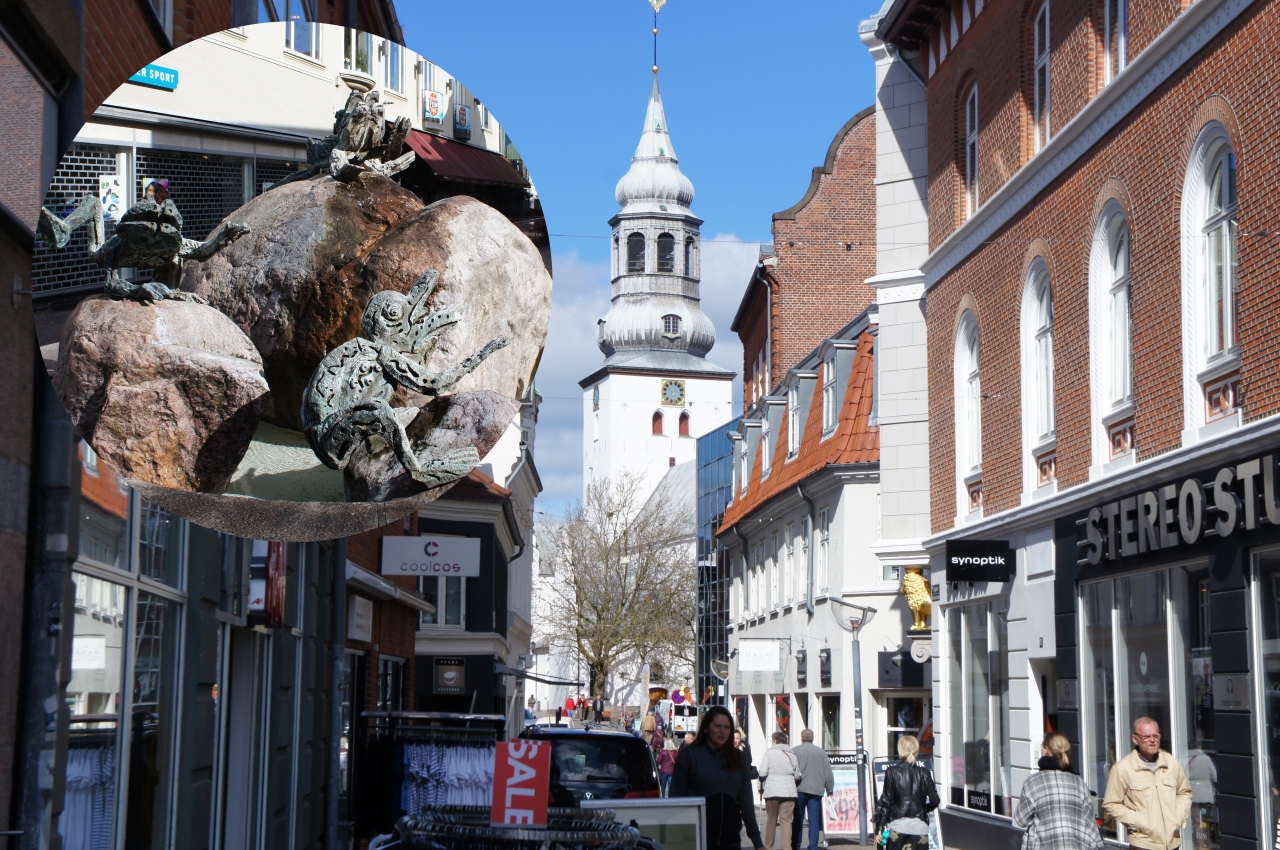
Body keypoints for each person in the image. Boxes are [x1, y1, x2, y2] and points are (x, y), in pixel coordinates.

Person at [670, 706, 765, 850]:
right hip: (697, 840)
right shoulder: (689, 755)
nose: (722, 731)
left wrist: (758, 843)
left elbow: (746, 801)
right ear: (707, 728)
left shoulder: (739, 758)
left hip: (730, 841)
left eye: (727, 727)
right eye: (718, 726)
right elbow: (676, 798)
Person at [1103, 717, 1192, 850]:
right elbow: (1111, 803)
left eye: (1156, 736)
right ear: (1135, 739)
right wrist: (1137, 821)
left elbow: (1184, 793)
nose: (1152, 740)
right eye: (1146, 736)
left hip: (1173, 843)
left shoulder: (1171, 763)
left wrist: (1177, 817)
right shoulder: (1123, 768)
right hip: (1143, 844)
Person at [1014, 732, 1103, 850]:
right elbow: (1090, 827)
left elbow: (1021, 820)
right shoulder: (1079, 783)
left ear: (1046, 748)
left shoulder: (1033, 782)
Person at [872, 735, 940, 850]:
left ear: (900, 751)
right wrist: (924, 809)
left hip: (898, 827)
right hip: (920, 828)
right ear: (916, 751)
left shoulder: (892, 772)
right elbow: (935, 800)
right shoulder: (925, 773)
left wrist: (879, 828)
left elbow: (886, 803)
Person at [793, 729, 835, 850]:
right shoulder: (821, 752)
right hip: (816, 790)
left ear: (801, 738)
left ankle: (796, 845)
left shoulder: (794, 751)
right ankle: (813, 846)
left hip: (799, 789)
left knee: (798, 819)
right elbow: (828, 772)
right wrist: (830, 789)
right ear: (813, 738)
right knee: (814, 820)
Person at [759, 732, 802, 850]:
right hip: (789, 792)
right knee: (787, 821)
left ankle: (768, 847)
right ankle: (787, 847)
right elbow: (797, 775)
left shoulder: (769, 753)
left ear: (775, 741)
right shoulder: (792, 754)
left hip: (772, 791)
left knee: (771, 820)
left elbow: (762, 772)